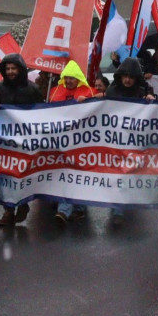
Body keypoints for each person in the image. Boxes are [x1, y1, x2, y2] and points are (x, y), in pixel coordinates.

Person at [0, 53, 43, 227]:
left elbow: (43, 113)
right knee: (7, 175)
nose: (10, 72)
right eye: (7, 69)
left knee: (22, 174)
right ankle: (8, 210)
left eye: (13, 68)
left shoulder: (33, 89)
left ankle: (22, 204)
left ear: (20, 69)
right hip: (5, 141)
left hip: (25, 140)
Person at [103, 57, 155, 227]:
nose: (127, 80)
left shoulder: (143, 92)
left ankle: (126, 203)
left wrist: (150, 100)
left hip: (135, 141)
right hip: (116, 140)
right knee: (119, 173)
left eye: (131, 77)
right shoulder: (111, 91)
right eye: (124, 76)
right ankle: (118, 209)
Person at [49, 61, 94, 225]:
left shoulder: (88, 92)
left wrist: (90, 101)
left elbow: (101, 106)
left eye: (72, 78)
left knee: (78, 174)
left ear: (78, 79)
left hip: (82, 142)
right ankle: (65, 209)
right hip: (61, 141)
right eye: (66, 78)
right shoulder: (54, 92)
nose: (68, 81)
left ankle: (75, 209)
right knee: (67, 174)